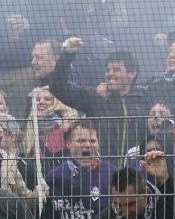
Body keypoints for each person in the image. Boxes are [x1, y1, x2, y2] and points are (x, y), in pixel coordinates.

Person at [49, 37, 150, 165]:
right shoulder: (95, 97)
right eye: (108, 70)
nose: (110, 74)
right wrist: (67, 55)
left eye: (116, 70)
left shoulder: (145, 99)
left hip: (135, 174)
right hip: (100, 173)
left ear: (132, 74)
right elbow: (57, 87)